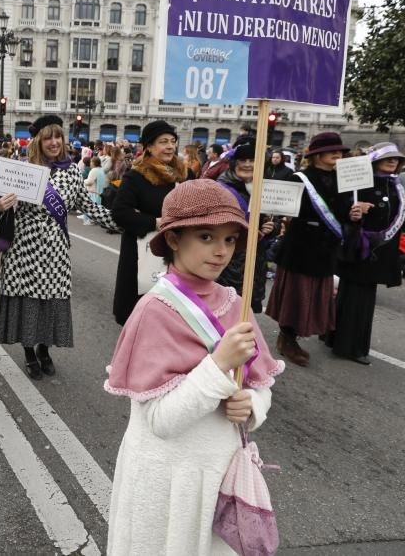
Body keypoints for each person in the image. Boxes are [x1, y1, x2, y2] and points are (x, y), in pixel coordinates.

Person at [104, 179, 284, 555]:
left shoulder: (237, 301)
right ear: (173, 239)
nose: (221, 252)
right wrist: (219, 366)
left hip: (219, 474)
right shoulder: (154, 310)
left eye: (230, 240)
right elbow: (162, 421)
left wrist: (253, 405)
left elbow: (261, 383)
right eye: (206, 237)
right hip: (167, 481)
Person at [0, 114, 118, 379]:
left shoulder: (72, 171)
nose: (54, 142)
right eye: (48, 137)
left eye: (57, 136)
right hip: (24, 247)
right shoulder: (22, 167)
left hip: (55, 251)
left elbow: (89, 207)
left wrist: (125, 222)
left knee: (51, 302)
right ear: (38, 141)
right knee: (27, 302)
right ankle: (28, 351)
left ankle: (44, 349)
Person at [265, 132, 364, 366]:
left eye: (339, 150)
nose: (337, 153)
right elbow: (286, 210)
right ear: (317, 154)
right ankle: (287, 337)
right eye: (331, 150)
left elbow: (343, 215)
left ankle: (300, 332)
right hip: (301, 246)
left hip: (326, 247)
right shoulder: (299, 178)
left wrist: (354, 215)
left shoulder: (345, 181)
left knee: (316, 296)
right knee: (296, 296)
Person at [330, 143, 405, 364]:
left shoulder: (395, 185)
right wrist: (354, 212)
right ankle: (349, 347)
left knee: (362, 298)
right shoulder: (361, 181)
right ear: (375, 160)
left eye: (396, 158)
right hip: (359, 247)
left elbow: (403, 219)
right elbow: (341, 208)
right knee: (355, 298)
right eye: (388, 158)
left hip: (380, 252)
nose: (393, 161)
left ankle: (337, 338)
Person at [111, 120, 189, 325]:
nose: (170, 146)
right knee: (140, 315)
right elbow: (120, 212)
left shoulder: (181, 175)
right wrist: (154, 222)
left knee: (170, 315)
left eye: (173, 141)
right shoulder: (136, 176)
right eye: (163, 141)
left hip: (175, 250)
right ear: (149, 146)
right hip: (142, 253)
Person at [215, 140, 278, 313]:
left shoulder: (263, 188)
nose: (248, 165)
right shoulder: (222, 188)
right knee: (226, 308)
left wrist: (270, 228)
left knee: (246, 311)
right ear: (234, 163)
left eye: (252, 160)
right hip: (230, 259)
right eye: (243, 160)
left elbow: (273, 220)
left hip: (255, 258)